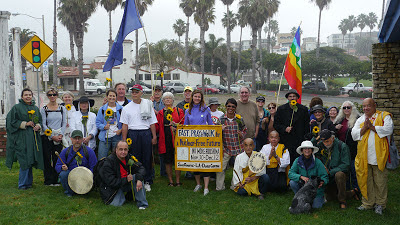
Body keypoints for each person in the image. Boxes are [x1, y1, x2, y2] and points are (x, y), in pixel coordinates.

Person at [351, 98, 393, 215]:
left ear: (374, 105)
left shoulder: (384, 116)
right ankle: (368, 203)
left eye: (368, 105)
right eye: (364, 106)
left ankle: (380, 204)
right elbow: (354, 135)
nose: (366, 108)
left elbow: (388, 129)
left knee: (380, 182)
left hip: (379, 156)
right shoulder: (360, 119)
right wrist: (365, 127)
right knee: (366, 180)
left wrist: (372, 127)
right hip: (363, 157)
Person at [120, 84, 157, 192]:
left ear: (141, 93)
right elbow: (125, 125)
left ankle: (147, 180)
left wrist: (154, 136)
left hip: (145, 133)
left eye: (137, 92)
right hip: (133, 133)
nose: (134, 94)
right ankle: (136, 179)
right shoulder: (126, 108)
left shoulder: (147, 105)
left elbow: (152, 123)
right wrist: (124, 140)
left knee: (147, 157)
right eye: (133, 92)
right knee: (134, 158)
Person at [6, 88, 44, 190]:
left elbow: (40, 120)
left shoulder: (35, 108)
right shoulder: (17, 108)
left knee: (30, 159)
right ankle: (22, 184)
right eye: (25, 95)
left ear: (32, 96)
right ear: (22, 97)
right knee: (24, 160)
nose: (28, 96)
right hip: (22, 138)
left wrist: (38, 126)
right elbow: (11, 121)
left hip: (33, 137)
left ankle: (28, 183)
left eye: (29, 95)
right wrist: (25, 124)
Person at [312, 129, 355, 209]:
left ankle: (342, 201)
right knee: (330, 198)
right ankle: (352, 193)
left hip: (339, 174)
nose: (325, 144)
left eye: (327, 141)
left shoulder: (342, 146)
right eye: (324, 141)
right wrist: (316, 138)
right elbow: (309, 148)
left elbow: (346, 165)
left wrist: (330, 172)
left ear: (333, 138)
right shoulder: (321, 144)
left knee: (339, 175)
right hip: (327, 175)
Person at [99, 140, 148, 209]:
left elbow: (141, 168)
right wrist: (126, 179)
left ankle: (142, 205)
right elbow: (111, 182)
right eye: (121, 149)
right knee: (116, 204)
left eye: (125, 149)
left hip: (126, 183)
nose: (123, 152)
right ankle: (125, 196)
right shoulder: (108, 162)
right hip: (113, 188)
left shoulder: (129, 157)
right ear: (116, 150)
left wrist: (139, 179)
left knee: (137, 177)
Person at [184, 90, 214, 196]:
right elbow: (185, 126)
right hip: (192, 141)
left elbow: (210, 124)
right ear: (192, 97)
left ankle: (206, 187)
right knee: (195, 163)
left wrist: (219, 128)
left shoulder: (206, 109)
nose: (197, 98)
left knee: (204, 163)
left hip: (204, 140)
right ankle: (198, 184)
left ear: (201, 98)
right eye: (195, 96)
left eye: (199, 97)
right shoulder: (188, 111)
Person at [216, 98, 247, 191]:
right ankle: (220, 187)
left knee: (238, 168)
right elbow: (215, 134)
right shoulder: (221, 120)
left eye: (233, 106)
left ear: (235, 108)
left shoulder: (239, 119)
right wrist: (219, 130)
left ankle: (235, 185)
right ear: (225, 107)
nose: (231, 108)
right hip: (226, 148)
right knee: (221, 168)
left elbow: (244, 130)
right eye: (229, 106)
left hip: (238, 148)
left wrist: (242, 134)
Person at [55, 130, 98, 197]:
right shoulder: (65, 152)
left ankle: (85, 191)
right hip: (71, 177)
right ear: (71, 139)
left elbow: (94, 166)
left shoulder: (89, 151)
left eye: (79, 138)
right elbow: (57, 165)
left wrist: (89, 175)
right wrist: (62, 167)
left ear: (82, 139)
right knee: (63, 174)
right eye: (75, 138)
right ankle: (69, 192)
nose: (77, 140)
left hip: (85, 178)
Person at [155, 92, 185, 186]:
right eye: (165, 99)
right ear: (163, 101)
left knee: (177, 159)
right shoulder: (160, 113)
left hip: (176, 138)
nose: (168, 100)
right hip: (165, 138)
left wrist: (176, 127)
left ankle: (178, 180)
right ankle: (171, 181)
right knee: (167, 160)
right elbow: (157, 126)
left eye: (169, 98)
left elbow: (183, 124)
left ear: (173, 100)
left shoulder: (179, 111)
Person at [288, 141, 329, 209]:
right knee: (292, 183)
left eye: (309, 148)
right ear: (302, 150)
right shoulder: (297, 160)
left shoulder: (318, 162)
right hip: (303, 188)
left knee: (316, 207)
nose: (307, 150)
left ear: (312, 150)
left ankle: (321, 198)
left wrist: (322, 182)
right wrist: (300, 177)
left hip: (316, 190)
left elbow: (325, 176)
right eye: (305, 149)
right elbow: (290, 173)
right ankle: (298, 197)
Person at [274, 89, 310, 165]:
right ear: (287, 98)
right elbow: (276, 124)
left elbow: (306, 126)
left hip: (299, 141)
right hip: (285, 140)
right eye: (290, 96)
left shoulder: (303, 109)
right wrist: (284, 128)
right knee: (286, 161)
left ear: (297, 98)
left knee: (298, 161)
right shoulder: (281, 109)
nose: (292, 98)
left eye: (294, 96)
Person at [40, 89, 67, 186]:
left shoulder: (62, 108)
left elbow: (64, 122)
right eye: (50, 95)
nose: (52, 96)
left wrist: (60, 135)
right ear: (47, 96)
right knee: (47, 158)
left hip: (59, 136)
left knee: (57, 158)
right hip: (47, 137)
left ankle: (56, 179)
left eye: (54, 94)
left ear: (57, 96)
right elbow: (43, 124)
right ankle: (48, 180)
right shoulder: (44, 109)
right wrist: (52, 136)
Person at [334, 101, 360, 193]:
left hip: (353, 149)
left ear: (352, 108)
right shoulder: (339, 119)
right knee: (345, 170)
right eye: (344, 108)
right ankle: (347, 190)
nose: (346, 109)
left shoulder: (358, 119)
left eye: (348, 107)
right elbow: (333, 134)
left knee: (354, 170)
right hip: (341, 150)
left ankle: (356, 190)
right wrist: (336, 129)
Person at [96, 89, 123, 160]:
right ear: (107, 97)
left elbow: (126, 123)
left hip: (116, 136)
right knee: (102, 157)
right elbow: (98, 122)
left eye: (113, 96)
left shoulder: (121, 109)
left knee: (117, 158)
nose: (112, 97)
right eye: (110, 96)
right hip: (104, 137)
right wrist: (104, 127)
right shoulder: (102, 109)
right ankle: (101, 171)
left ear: (116, 97)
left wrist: (120, 130)